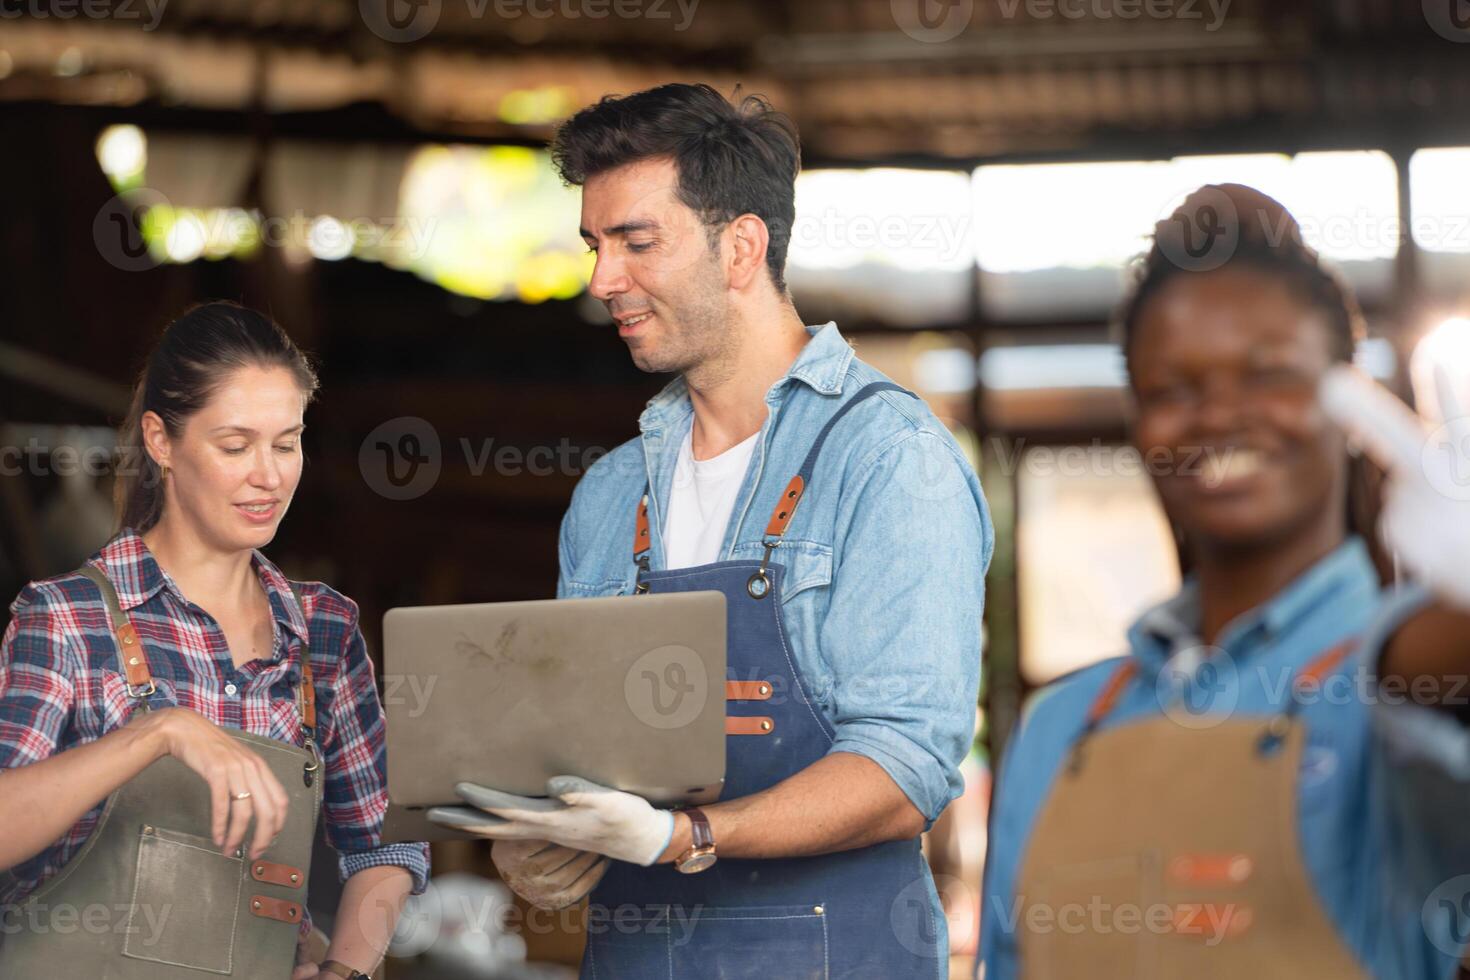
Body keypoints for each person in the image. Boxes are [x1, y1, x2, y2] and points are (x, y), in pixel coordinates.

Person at [428, 83, 993, 978]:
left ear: (742, 246)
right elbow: (581, 760)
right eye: (595, 245)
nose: (602, 280)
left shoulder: (889, 461)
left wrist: (685, 835)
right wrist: (541, 849)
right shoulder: (611, 497)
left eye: (636, 242)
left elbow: (905, 764)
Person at [980, 184, 1470, 980]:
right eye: (1174, 389)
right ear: (1137, 421)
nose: (1219, 414)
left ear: (1348, 398)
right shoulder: (1060, 728)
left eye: (1268, 373)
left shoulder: (1400, 675)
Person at [0, 302, 430, 979]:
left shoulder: (324, 631)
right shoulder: (67, 618)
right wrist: (159, 732)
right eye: (235, 446)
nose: (269, 475)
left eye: (285, 443)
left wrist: (346, 972)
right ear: (161, 441)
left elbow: (384, 849)